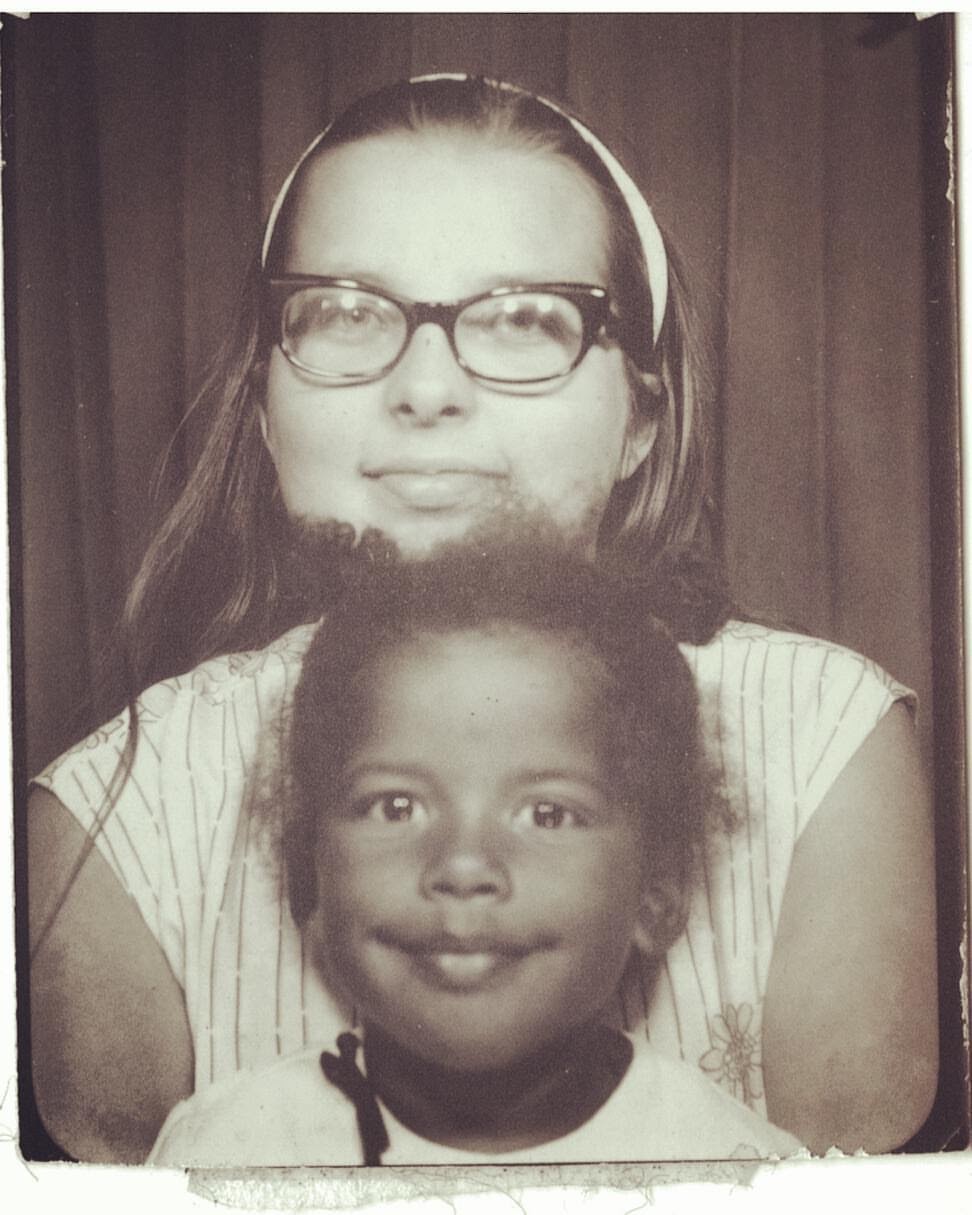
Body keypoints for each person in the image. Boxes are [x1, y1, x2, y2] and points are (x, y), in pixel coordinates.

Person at [27, 75, 938, 1164]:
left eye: (520, 318)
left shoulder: (826, 741)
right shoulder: (108, 816)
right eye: (349, 311)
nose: (426, 388)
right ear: (266, 408)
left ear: (642, 415)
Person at [148, 542, 803, 1165]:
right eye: (395, 806)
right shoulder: (222, 1152)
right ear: (308, 869)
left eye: (547, 813)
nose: (463, 865)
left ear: (657, 892)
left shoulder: (740, 1169)